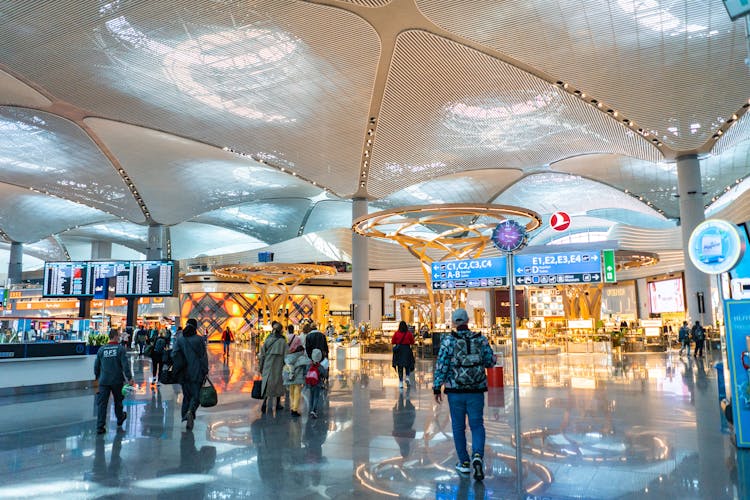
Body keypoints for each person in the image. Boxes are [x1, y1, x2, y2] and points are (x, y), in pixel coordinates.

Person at [433, 308, 497, 481]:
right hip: (476, 390)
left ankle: (464, 463)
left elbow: (442, 365)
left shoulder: (448, 341)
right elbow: (490, 362)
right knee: (477, 425)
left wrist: (437, 386)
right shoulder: (481, 339)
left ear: (454, 322)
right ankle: (477, 456)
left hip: (455, 390)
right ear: (468, 320)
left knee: (458, 427)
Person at [94, 329, 135, 435]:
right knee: (118, 401)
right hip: (117, 380)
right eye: (119, 335)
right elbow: (125, 365)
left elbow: (96, 366)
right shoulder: (120, 349)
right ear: (116, 336)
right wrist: (129, 378)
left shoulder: (101, 350)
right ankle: (120, 418)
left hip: (104, 381)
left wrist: (97, 378)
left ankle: (100, 427)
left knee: (102, 404)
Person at [172, 318, 209, 430]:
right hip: (196, 372)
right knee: (196, 396)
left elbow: (173, 354)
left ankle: (185, 415)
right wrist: (205, 370)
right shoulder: (199, 340)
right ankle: (190, 411)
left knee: (187, 395)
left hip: (183, 373)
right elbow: (203, 357)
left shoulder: (180, 339)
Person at [259, 322, 288, 414]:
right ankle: (278, 403)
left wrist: (261, 367)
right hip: (279, 367)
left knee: (267, 384)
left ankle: (264, 403)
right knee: (278, 384)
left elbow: (262, 355)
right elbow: (287, 356)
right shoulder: (283, 341)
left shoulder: (268, 340)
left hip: (268, 365)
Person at [284, 334, 310, 417]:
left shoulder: (289, 356)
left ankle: (292, 407)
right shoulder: (301, 357)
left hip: (290, 378)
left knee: (291, 392)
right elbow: (308, 362)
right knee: (297, 393)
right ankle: (295, 409)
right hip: (297, 378)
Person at [392, 320, 416, 390]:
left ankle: (401, 382)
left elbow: (393, 341)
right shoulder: (409, 334)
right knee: (407, 365)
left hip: (399, 351)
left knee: (400, 366)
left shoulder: (396, 333)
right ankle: (408, 377)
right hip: (407, 350)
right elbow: (412, 341)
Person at [307, 348, 328, 419]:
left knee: (311, 396)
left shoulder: (309, 365)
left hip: (310, 383)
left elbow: (305, 373)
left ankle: (310, 410)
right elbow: (324, 374)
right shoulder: (320, 366)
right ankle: (314, 410)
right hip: (317, 383)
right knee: (316, 397)